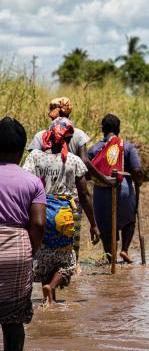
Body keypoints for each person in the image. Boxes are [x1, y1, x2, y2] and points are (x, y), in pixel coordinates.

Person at [23, 117, 100, 305]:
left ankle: (48, 299)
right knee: (66, 260)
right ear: (67, 139)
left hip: (39, 212)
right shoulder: (73, 161)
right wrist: (94, 225)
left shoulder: (35, 157)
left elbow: (24, 183)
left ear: (48, 136)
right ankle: (52, 287)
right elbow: (84, 194)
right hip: (64, 215)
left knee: (43, 253)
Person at [28, 97, 111, 260]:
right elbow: (85, 163)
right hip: (71, 203)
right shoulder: (77, 135)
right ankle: (67, 275)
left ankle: (48, 278)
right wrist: (105, 180)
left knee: (44, 248)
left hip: (42, 203)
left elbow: (30, 173)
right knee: (71, 249)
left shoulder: (40, 136)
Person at [0, 116, 46, 351]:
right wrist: (32, 250)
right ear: (21, 150)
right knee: (13, 319)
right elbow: (38, 224)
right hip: (18, 250)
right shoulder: (33, 182)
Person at [88, 113, 143, 263]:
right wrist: (139, 181)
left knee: (106, 225)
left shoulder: (94, 149)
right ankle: (124, 250)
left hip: (101, 194)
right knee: (129, 220)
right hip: (124, 191)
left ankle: (110, 255)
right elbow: (137, 171)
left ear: (102, 129)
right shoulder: (127, 146)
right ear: (118, 129)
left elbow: (87, 173)